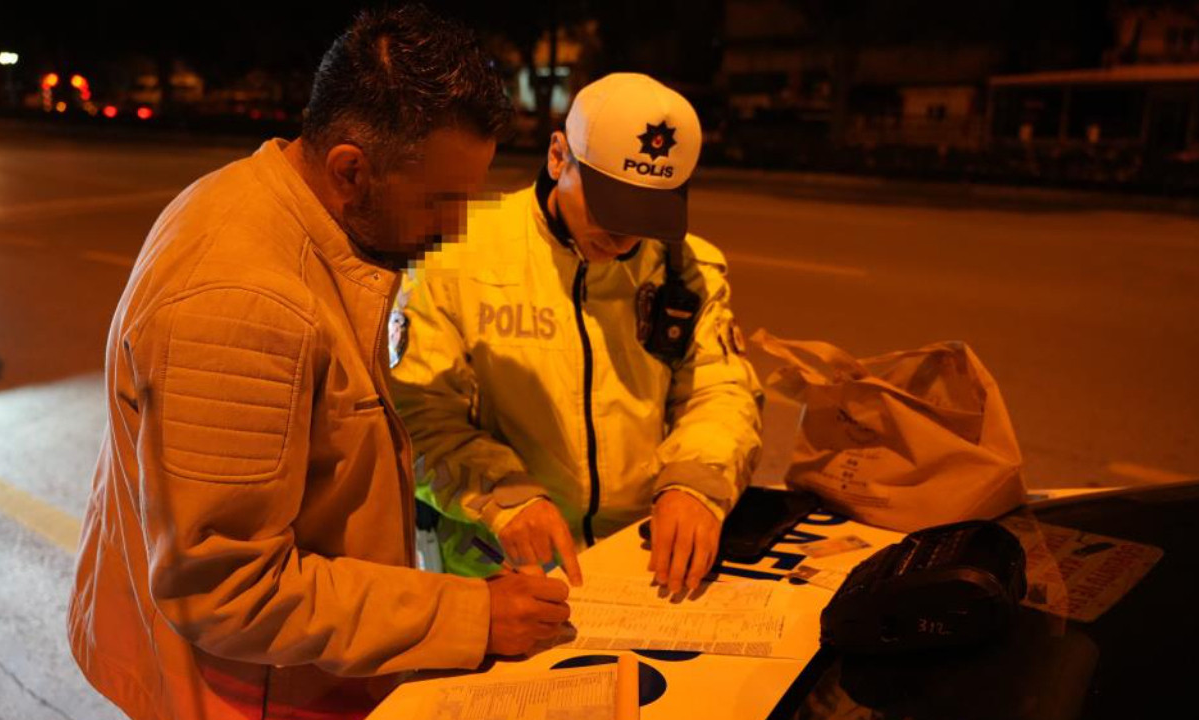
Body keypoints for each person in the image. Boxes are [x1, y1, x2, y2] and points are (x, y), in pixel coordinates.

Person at [67, 7, 569, 720]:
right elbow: (230, 593)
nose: (454, 228)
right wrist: (471, 616)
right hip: (250, 691)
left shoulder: (298, 212)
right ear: (351, 170)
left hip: (301, 672)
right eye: (440, 202)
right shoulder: (240, 302)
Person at [391, 73, 763, 596]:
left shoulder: (686, 267)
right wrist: (506, 496)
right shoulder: (455, 255)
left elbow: (720, 391)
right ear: (558, 157)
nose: (623, 235)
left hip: (641, 561)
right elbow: (415, 415)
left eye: (646, 212)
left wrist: (695, 485)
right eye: (608, 205)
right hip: (500, 569)